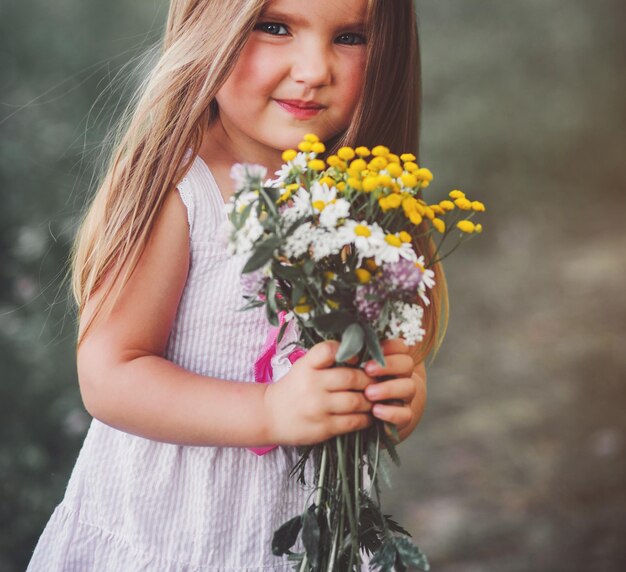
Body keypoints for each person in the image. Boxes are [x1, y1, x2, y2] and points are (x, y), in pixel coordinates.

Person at [27, 0, 448, 569]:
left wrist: (397, 390)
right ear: (210, 27)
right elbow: (110, 375)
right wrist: (269, 411)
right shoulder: (181, 186)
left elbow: (384, 344)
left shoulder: (363, 195)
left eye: (350, 37)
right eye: (274, 27)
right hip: (171, 539)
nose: (314, 68)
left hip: (312, 546)